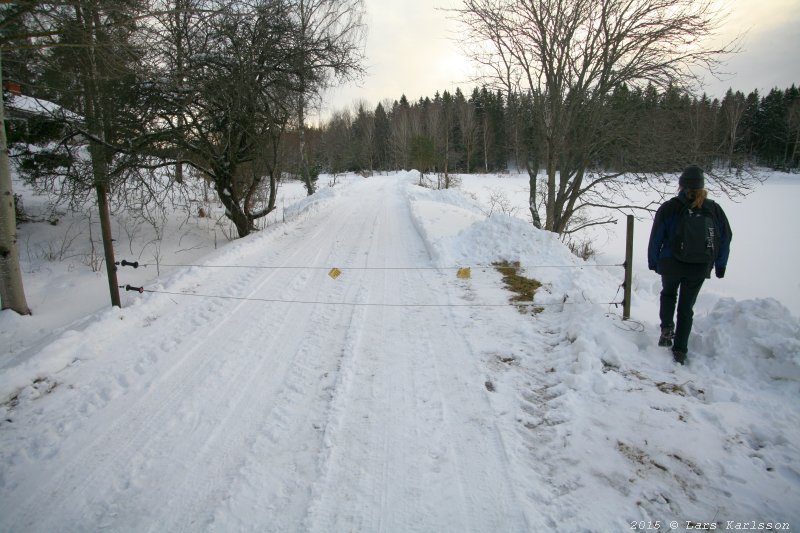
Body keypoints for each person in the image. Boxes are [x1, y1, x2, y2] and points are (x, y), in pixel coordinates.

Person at [647, 165, 732, 365]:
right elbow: (725, 238)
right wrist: (720, 265)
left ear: (681, 185)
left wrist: (653, 261)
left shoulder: (670, 207)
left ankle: (667, 328)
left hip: (670, 263)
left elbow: (656, 236)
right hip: (699, 266)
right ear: (702, 187)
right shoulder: (713, 209)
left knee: (668, 294)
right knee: (686, 307)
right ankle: (680, 350)